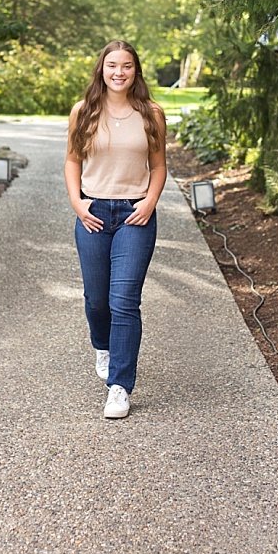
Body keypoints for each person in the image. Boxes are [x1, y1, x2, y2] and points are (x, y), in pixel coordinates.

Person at [64, 40, 169, 420]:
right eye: (112, 65)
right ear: (102, 70)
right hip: (92, 213)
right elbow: (72, 161)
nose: (119, 72)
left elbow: (158, 166)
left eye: (127, 66)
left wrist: (149, 202)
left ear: (136, 72)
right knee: (96, 299)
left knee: (124, 301)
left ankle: (119, 387)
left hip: (134, 216)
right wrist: (78, 203)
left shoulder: (151, 114)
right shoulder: (84, 112)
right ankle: (102, 346)